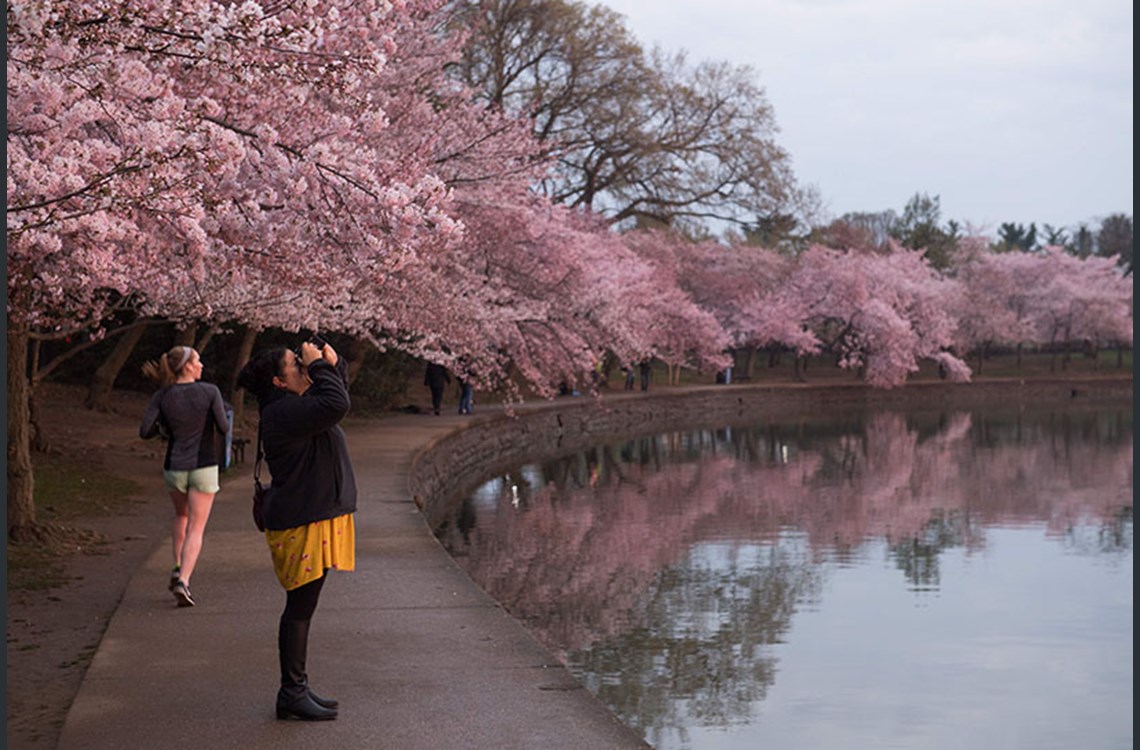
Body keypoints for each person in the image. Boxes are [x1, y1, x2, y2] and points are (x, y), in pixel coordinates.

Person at [236, 341, 357, 722]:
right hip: (301, 523)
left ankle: (296, 689)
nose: (302, 364)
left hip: (310, 517)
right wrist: (321, 367)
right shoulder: (283, 412)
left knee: (303, 607)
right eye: (295, 363)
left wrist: (331, 367)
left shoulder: (294, 408)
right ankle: (292, 692)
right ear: (278, 381)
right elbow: (335, 404)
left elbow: (334, 404)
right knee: (300, 609)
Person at [140, 346, 228, 608]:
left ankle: (178, 566)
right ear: (188, 365)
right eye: (198, 360)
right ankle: (184, 581)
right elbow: (223, 427)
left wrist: (167, 427)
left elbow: (145, 430)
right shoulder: (210, 391)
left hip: (174, 466)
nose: (202, 365)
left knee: (181, 516)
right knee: (196, 528)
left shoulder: (162, 395)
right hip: (203, 465)